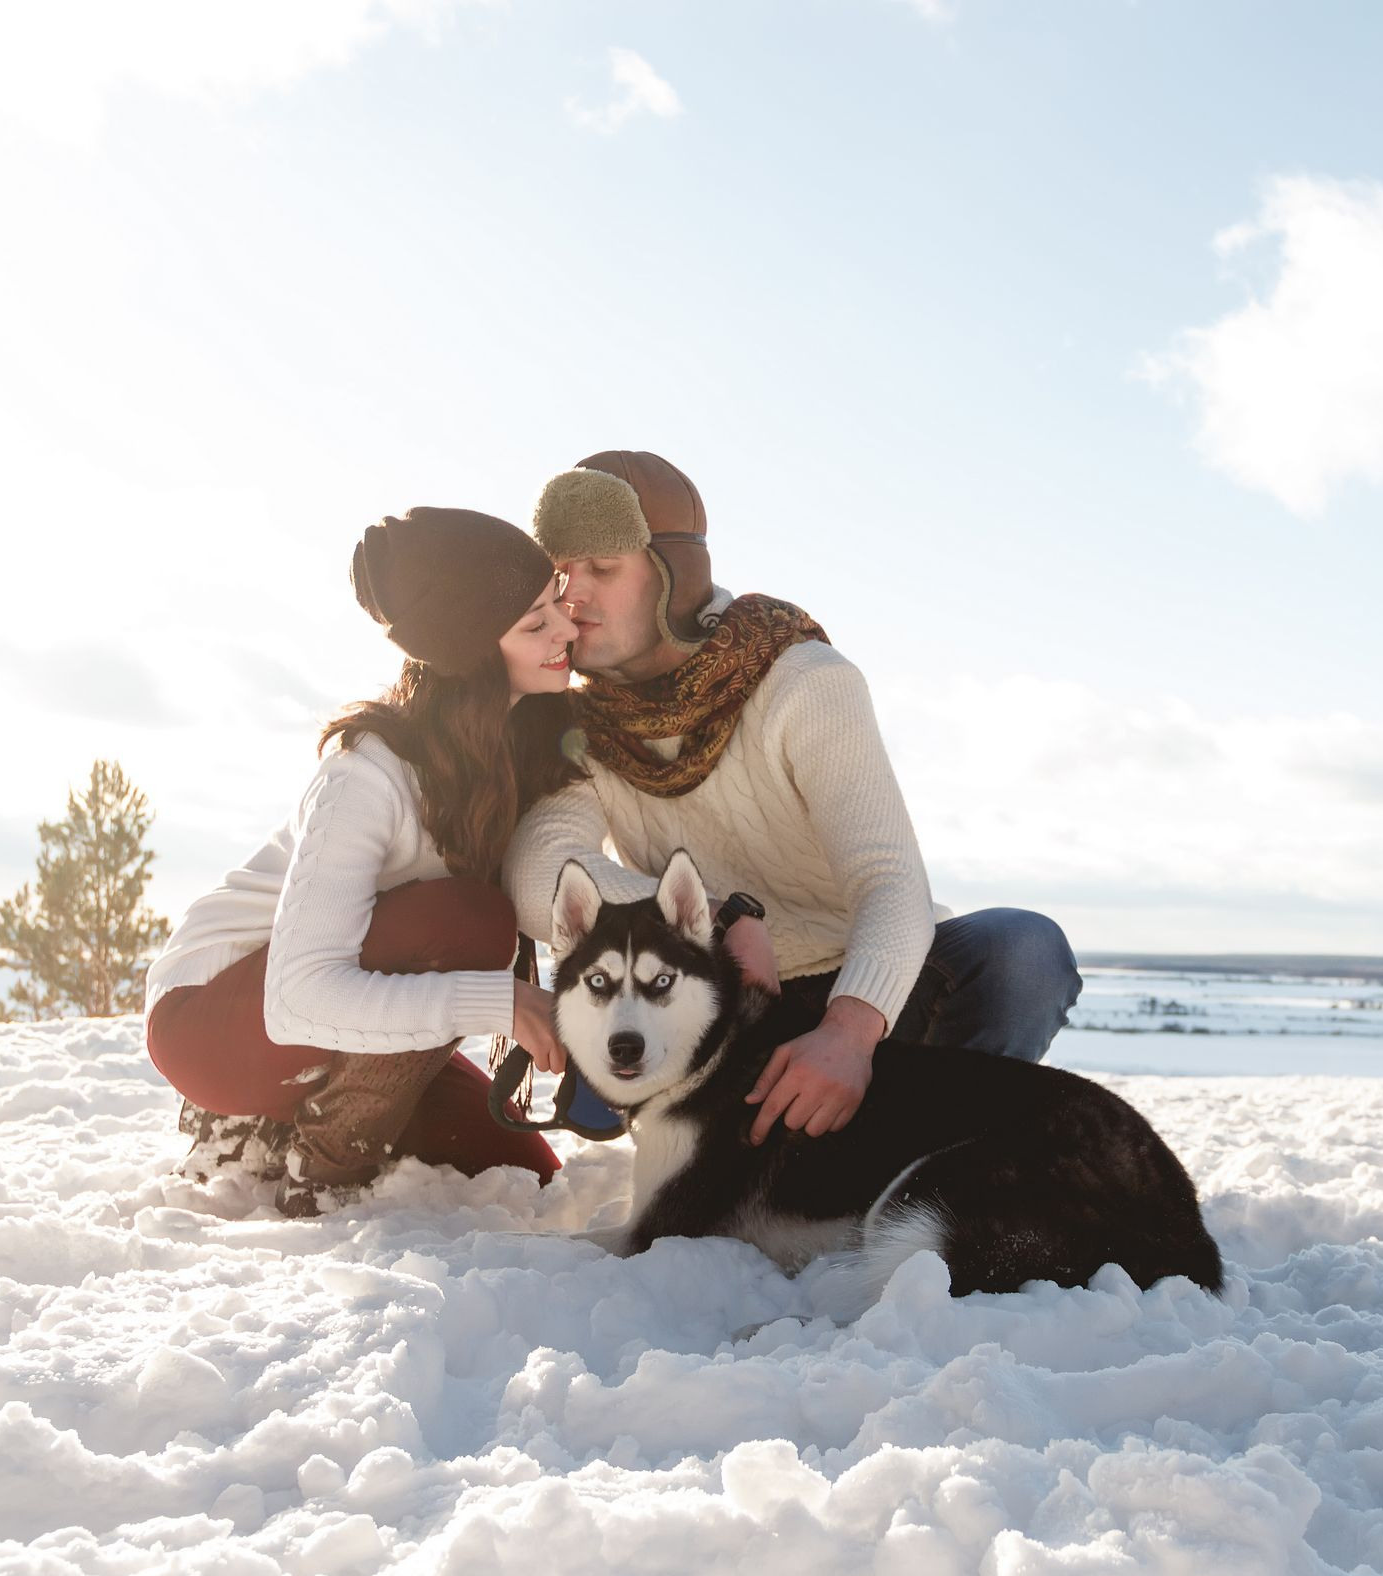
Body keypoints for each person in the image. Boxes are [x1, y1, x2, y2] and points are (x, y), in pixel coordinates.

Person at [503, 450, 1082, 1146]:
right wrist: (715, 921)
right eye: (561, 571)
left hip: (863, 990)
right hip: (714, 997)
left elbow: (890, 882)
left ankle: (934, 1151)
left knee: (1023, 951)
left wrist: (848, 1031)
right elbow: (538, 873)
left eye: (602, 568)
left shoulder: (802, 680)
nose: (574, 595)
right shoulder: (575, 721)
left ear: (672, 574)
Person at [144, 507, 578, 1213]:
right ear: (471, 655)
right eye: (536, 623)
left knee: (529, 1175)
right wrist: (500, 1000)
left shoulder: (523, 742)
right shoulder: (367, 776)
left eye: (557, 601)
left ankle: (283, 1120)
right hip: (215, 1019)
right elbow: (298, 1000)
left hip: (356, 1031)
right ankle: (322, 1169)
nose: (565, 628)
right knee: (472, 921)